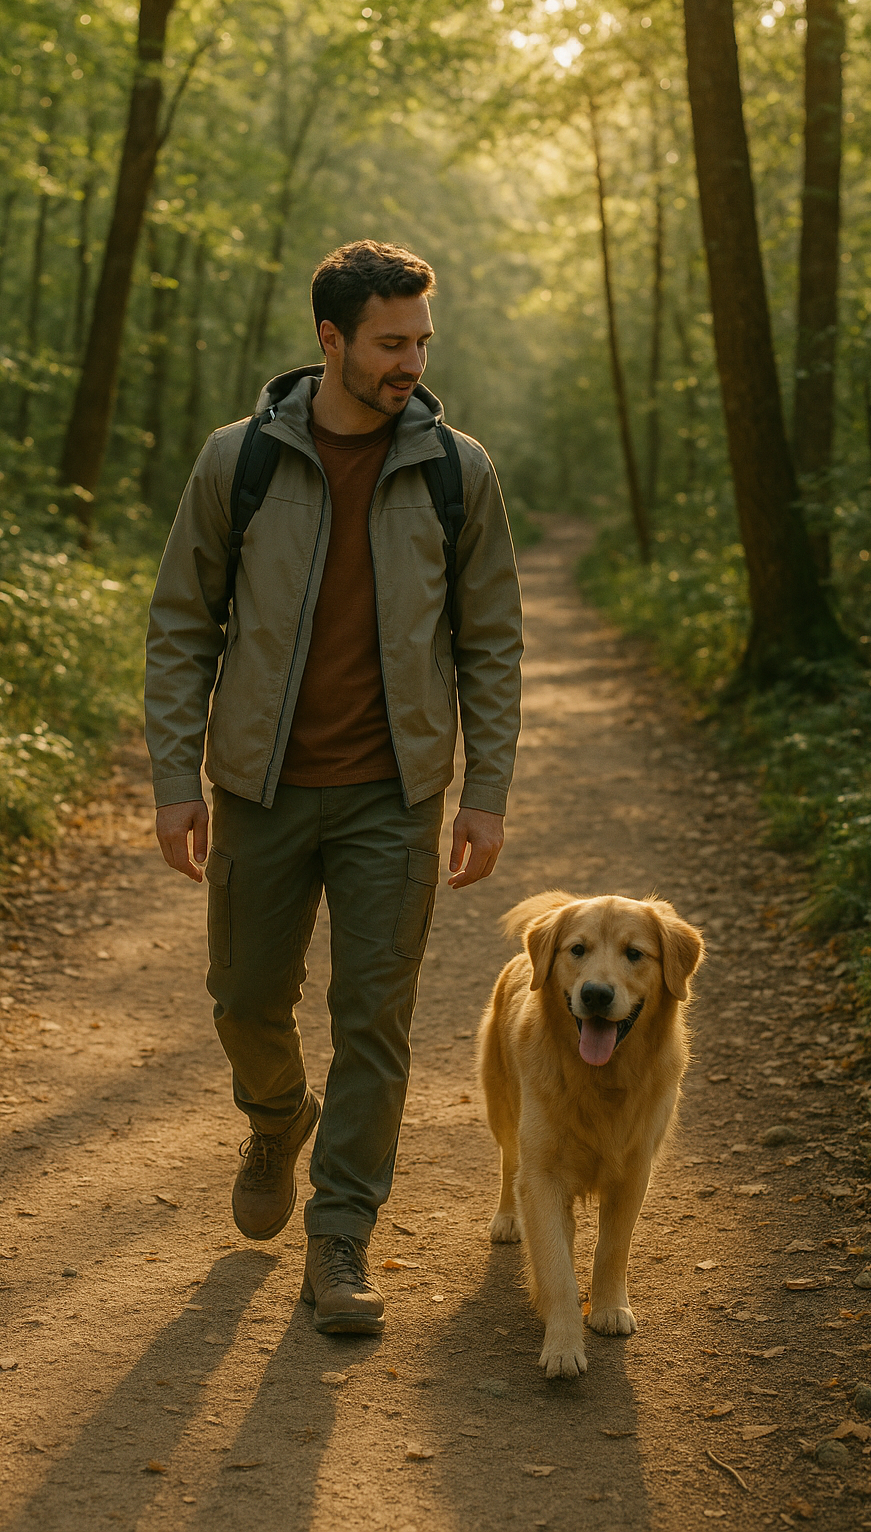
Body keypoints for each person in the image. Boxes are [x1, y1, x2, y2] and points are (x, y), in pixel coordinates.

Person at [145, 240, 523, 1336]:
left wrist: (483, 791)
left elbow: (490, 642)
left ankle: (341, 1234)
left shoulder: (459, 471)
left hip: (391, 799)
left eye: (420, 341)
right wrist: (179, 778)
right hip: (260, 790)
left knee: (375, 1020)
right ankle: (276, 1117)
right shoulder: (240, 462)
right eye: (390, 342)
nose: (410, 362)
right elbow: (182, 626)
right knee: (246, 1003)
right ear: (331, 341)